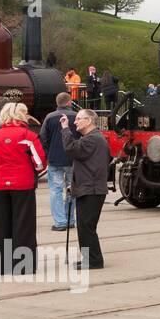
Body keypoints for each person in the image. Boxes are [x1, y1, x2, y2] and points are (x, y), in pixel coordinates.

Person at [0, 102, 47, 274]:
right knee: (24, 224)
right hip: (22, 184)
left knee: (0, 225)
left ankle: (0, 266)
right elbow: (40, 164)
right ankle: (23, 266)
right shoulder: (28, 135)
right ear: (21, 116)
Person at [61, 109, 110, 269]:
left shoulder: (92, 139)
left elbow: (71, 149)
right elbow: (88, 165)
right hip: (89, 187)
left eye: (78, 119)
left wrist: (65, 129)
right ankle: (91, 258)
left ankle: (94, 260)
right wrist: (73, 183)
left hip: (92, 190)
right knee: (85, 226)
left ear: (88, 121)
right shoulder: (92, 138)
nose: (75, 122)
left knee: (86, 227)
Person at [38, 92, 78, 232]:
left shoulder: (49, 117)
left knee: (55, 190)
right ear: (69, 102)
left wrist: (49, 153)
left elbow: (43, 137)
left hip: (55, 159)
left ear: (57, 103)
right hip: (73, 159)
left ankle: (60, 222)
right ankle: (70, 220)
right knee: (71, 190)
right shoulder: (76, 116)